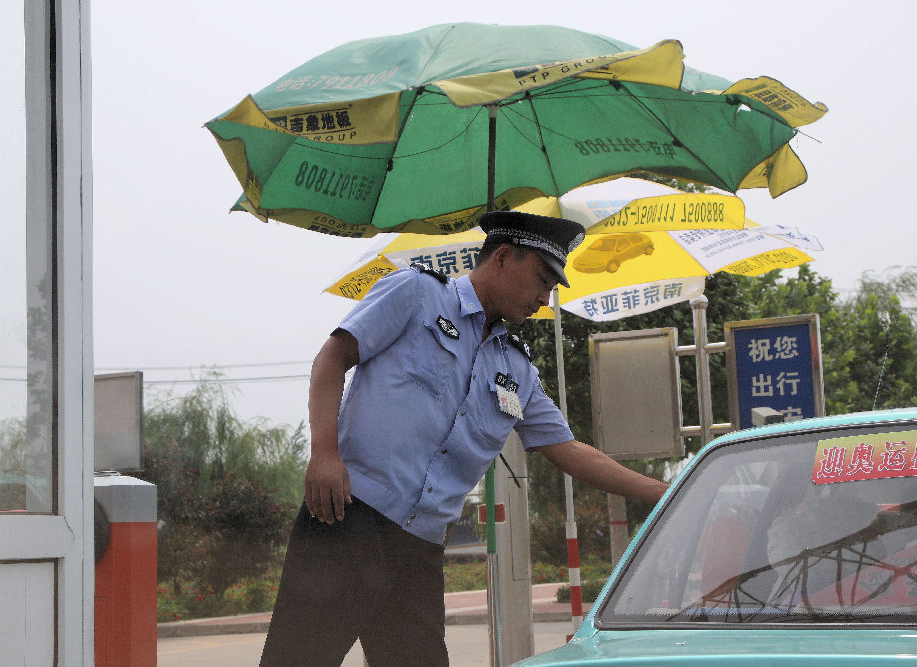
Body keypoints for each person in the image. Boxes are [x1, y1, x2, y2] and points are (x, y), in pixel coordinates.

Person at [260, 210, 669, 666]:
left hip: (419, 548)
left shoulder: (517, 369)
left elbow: (570, 451)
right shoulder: (417, 294)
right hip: (348, 517)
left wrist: (666, 494)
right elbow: (333, 356)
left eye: (552, 288)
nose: (544, 296)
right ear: (503, 257)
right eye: (540, 279)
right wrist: (324, 453)